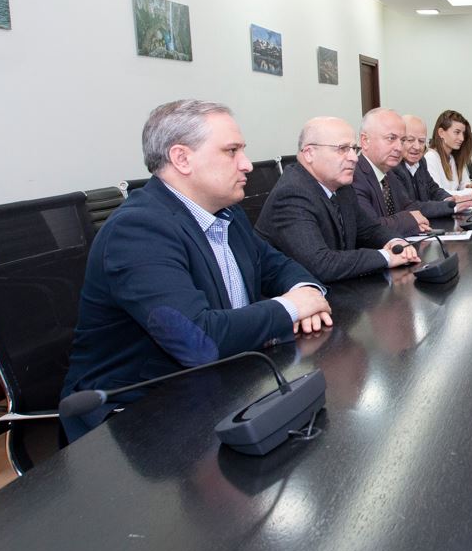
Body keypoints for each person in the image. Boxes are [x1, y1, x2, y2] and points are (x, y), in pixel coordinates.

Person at [62, 99, 331, 440]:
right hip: (134, 422)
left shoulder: (227, 214)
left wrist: (307, 291)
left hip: (224, 384)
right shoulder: (138, 231)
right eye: (231, 151)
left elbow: (278, 266)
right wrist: (292, 307)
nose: (247, 164)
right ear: (182, 158)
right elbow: (199, 340)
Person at [256, 116, 421, 283]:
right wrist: (386, 256)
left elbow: (369, 229)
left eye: (353, 148)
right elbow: (320, 264)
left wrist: (395, 242)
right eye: (342, 149)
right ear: (309, 153)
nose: (354, 157)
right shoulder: (292, 194)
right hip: (302, 293)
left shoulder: (341, 187)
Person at [352, 108, 433, 236]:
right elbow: (370, 228)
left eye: (402, 140)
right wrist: (410, 220)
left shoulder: (389, 174)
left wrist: (411, 219)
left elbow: (410, 207)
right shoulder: (354, 176)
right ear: (365, 141)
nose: (399, 148)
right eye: (391, 138)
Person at [393, 114, 472, 218]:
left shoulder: (421, 161)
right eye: (410, 140)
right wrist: (452, 206)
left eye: (421, 141)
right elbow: (410, 207)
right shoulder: (393, 168)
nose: (417, 147)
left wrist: (451, 199)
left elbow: (433, 189)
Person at [425, 109, 472, 199]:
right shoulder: (430, 158)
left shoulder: (452, 157)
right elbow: (438, 195)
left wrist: (468, 186)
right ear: (441, 133)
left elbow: (463, 183)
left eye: (463, 133)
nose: (462, 138)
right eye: (457, 132)